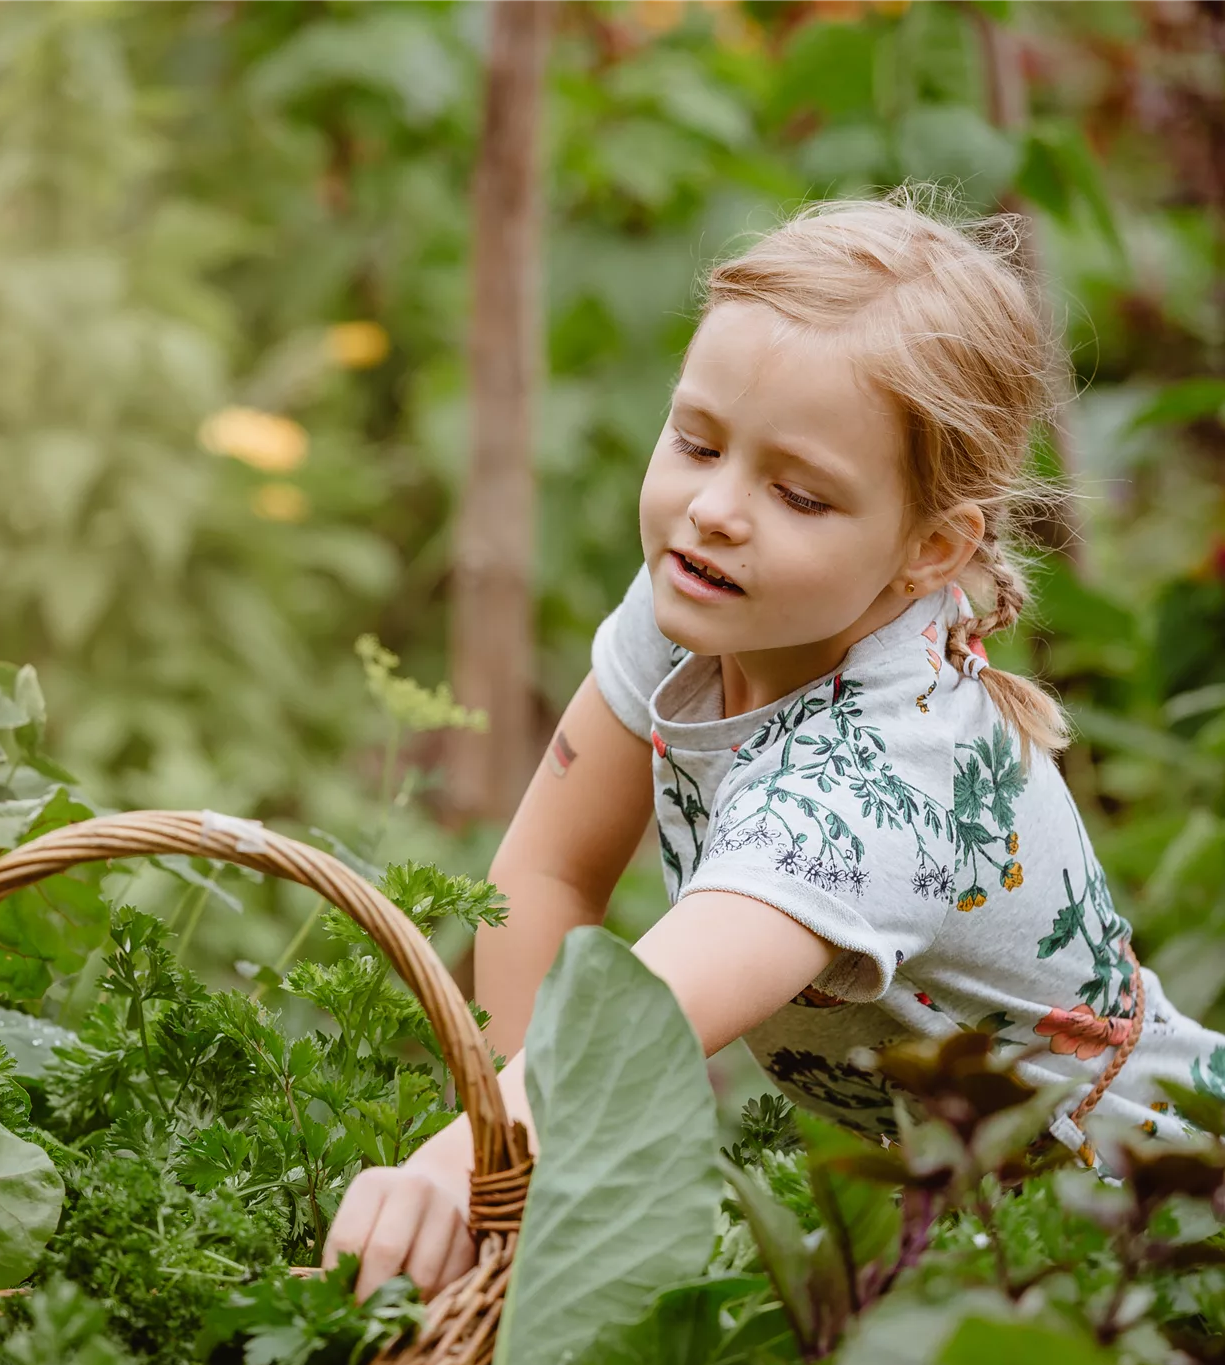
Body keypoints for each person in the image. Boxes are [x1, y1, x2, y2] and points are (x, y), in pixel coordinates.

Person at [323, 191, 1225, 1303]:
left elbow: (635, 1025)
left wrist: (469, 1163)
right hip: (965, 1224)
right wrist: (516, 1178)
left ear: (928, 548)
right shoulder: (703, 604)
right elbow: (549, 874)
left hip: (1156, 1226)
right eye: (697, 442)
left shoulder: (883, 782)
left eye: (799, 494)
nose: (714, 510)